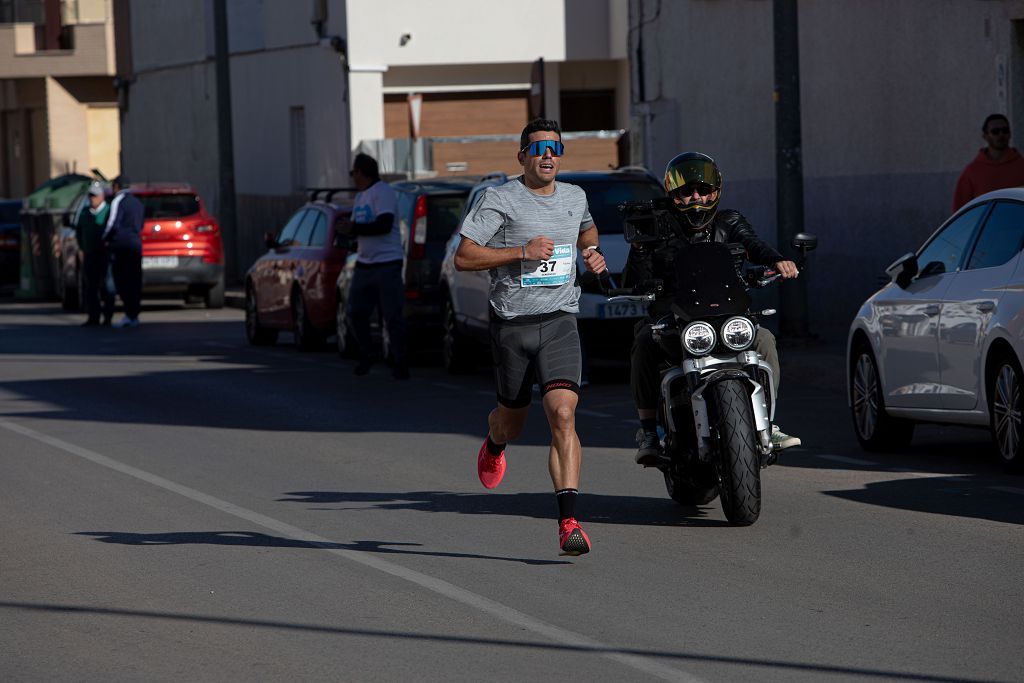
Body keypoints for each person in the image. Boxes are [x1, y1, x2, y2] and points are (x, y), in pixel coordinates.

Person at [454, 118, 607, 556]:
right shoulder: (499, 198)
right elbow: (463, 257)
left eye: (555, 148)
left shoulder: (575, 196)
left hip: (560, 319)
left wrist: (590, 250)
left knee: (563, 415)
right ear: (522, 156)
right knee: (513, 422)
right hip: (512, 326)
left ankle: (569, 521)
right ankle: (495, 440)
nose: (547, 155)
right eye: (538, 148)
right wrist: (521, 252)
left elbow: (587, 229)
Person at [624, 152, 800, 466]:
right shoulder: (656, 224)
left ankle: (767, 424)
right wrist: (640, 255)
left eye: (703, 190)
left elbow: (753, 244)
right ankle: (648, 431)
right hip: (675, 316)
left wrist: (776, 261)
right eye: (687, 190)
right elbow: (635, 276)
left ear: (716, 191)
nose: (696, 197)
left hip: (726, 313)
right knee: (643, 340)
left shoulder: (730, 221)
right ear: (672, 192)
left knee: (765, 340)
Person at [344, 153, 410, 380]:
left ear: (361, 172)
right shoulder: (361, 197)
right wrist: (347, 232)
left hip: (387, 262)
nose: (352, 177)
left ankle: (400, 361)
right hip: (365, 262)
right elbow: (359, 228)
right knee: (355, 312)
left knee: (392, 315)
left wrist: (353, 229)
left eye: (353, 172)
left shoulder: (382, 192)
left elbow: (383, 225)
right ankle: (366, 353)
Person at [952, 114, 1024, 211]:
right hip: (988, 225)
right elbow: (960, 210)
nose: (1001, 135)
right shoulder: (972, 172)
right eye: (995, 131)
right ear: (985, 136)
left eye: (1005, 130)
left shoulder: (1021, 165)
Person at [102, 175, 145, 328]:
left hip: (121, 246)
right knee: (135, 281)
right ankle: (134, 315)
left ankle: (129, 314)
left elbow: (112, 223)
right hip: (135, 244)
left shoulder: (118, 201)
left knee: (122, 280)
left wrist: (104, 238)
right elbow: (140, 224)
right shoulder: (137, 203)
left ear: (117, 187)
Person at [76, 182, 114, 326]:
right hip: (90, 254)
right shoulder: (85, 213)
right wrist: (82, 248)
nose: (92, 198)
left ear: (102, 196)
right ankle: (93, 317)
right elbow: (79, 232)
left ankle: (108, 317)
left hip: (104, 255)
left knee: (107, 286)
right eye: (90, 195)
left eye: (95, 195)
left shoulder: (109, 211)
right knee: (91, 287)